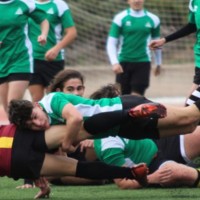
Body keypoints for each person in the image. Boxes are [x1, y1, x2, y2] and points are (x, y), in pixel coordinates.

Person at [7, 90, 200, 153]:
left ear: (35, 105)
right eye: (30, 125)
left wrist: (67, 143)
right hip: (124, 130)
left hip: (125, 109)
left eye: (34, 117)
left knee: (190, 116)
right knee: (190, 126)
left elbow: (75, 119)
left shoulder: (51, 100)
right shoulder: (44, 124)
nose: (37, 124)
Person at [0, 124, 148, 198]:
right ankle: (128, 115)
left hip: (15, 160)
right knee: (82, 130)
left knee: (79, 168)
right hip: (16, 135)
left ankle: (130, 172)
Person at [0, 0, 49, 114]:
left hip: (21, 59)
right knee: (8, 109)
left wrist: (43, 35)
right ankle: (22, 128)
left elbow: (43, 19)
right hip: (2, 61)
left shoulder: (25, 3)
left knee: (13, 105)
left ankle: (29, 128)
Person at [106, 0, 162, 96]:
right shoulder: (120, 18)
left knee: (137, 97)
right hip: (123, 62)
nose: (136, 1)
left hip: (143, 62)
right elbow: (111, 43)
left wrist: (158, 63)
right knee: (123, 96)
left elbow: (157, 42)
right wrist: (114, 62)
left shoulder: (153, 19)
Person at [149, 0, 199, 103]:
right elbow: (192, 26)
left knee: (189, 108)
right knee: (190, 106)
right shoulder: (194, 2)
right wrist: (164, 40)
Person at [28, 0, 77, 102]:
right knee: (37, 100)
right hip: (32, 59)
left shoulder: (59, 5)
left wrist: (56, 49)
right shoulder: (26, 4)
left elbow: (72, 32)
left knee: (54, 98)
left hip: (53, 60)